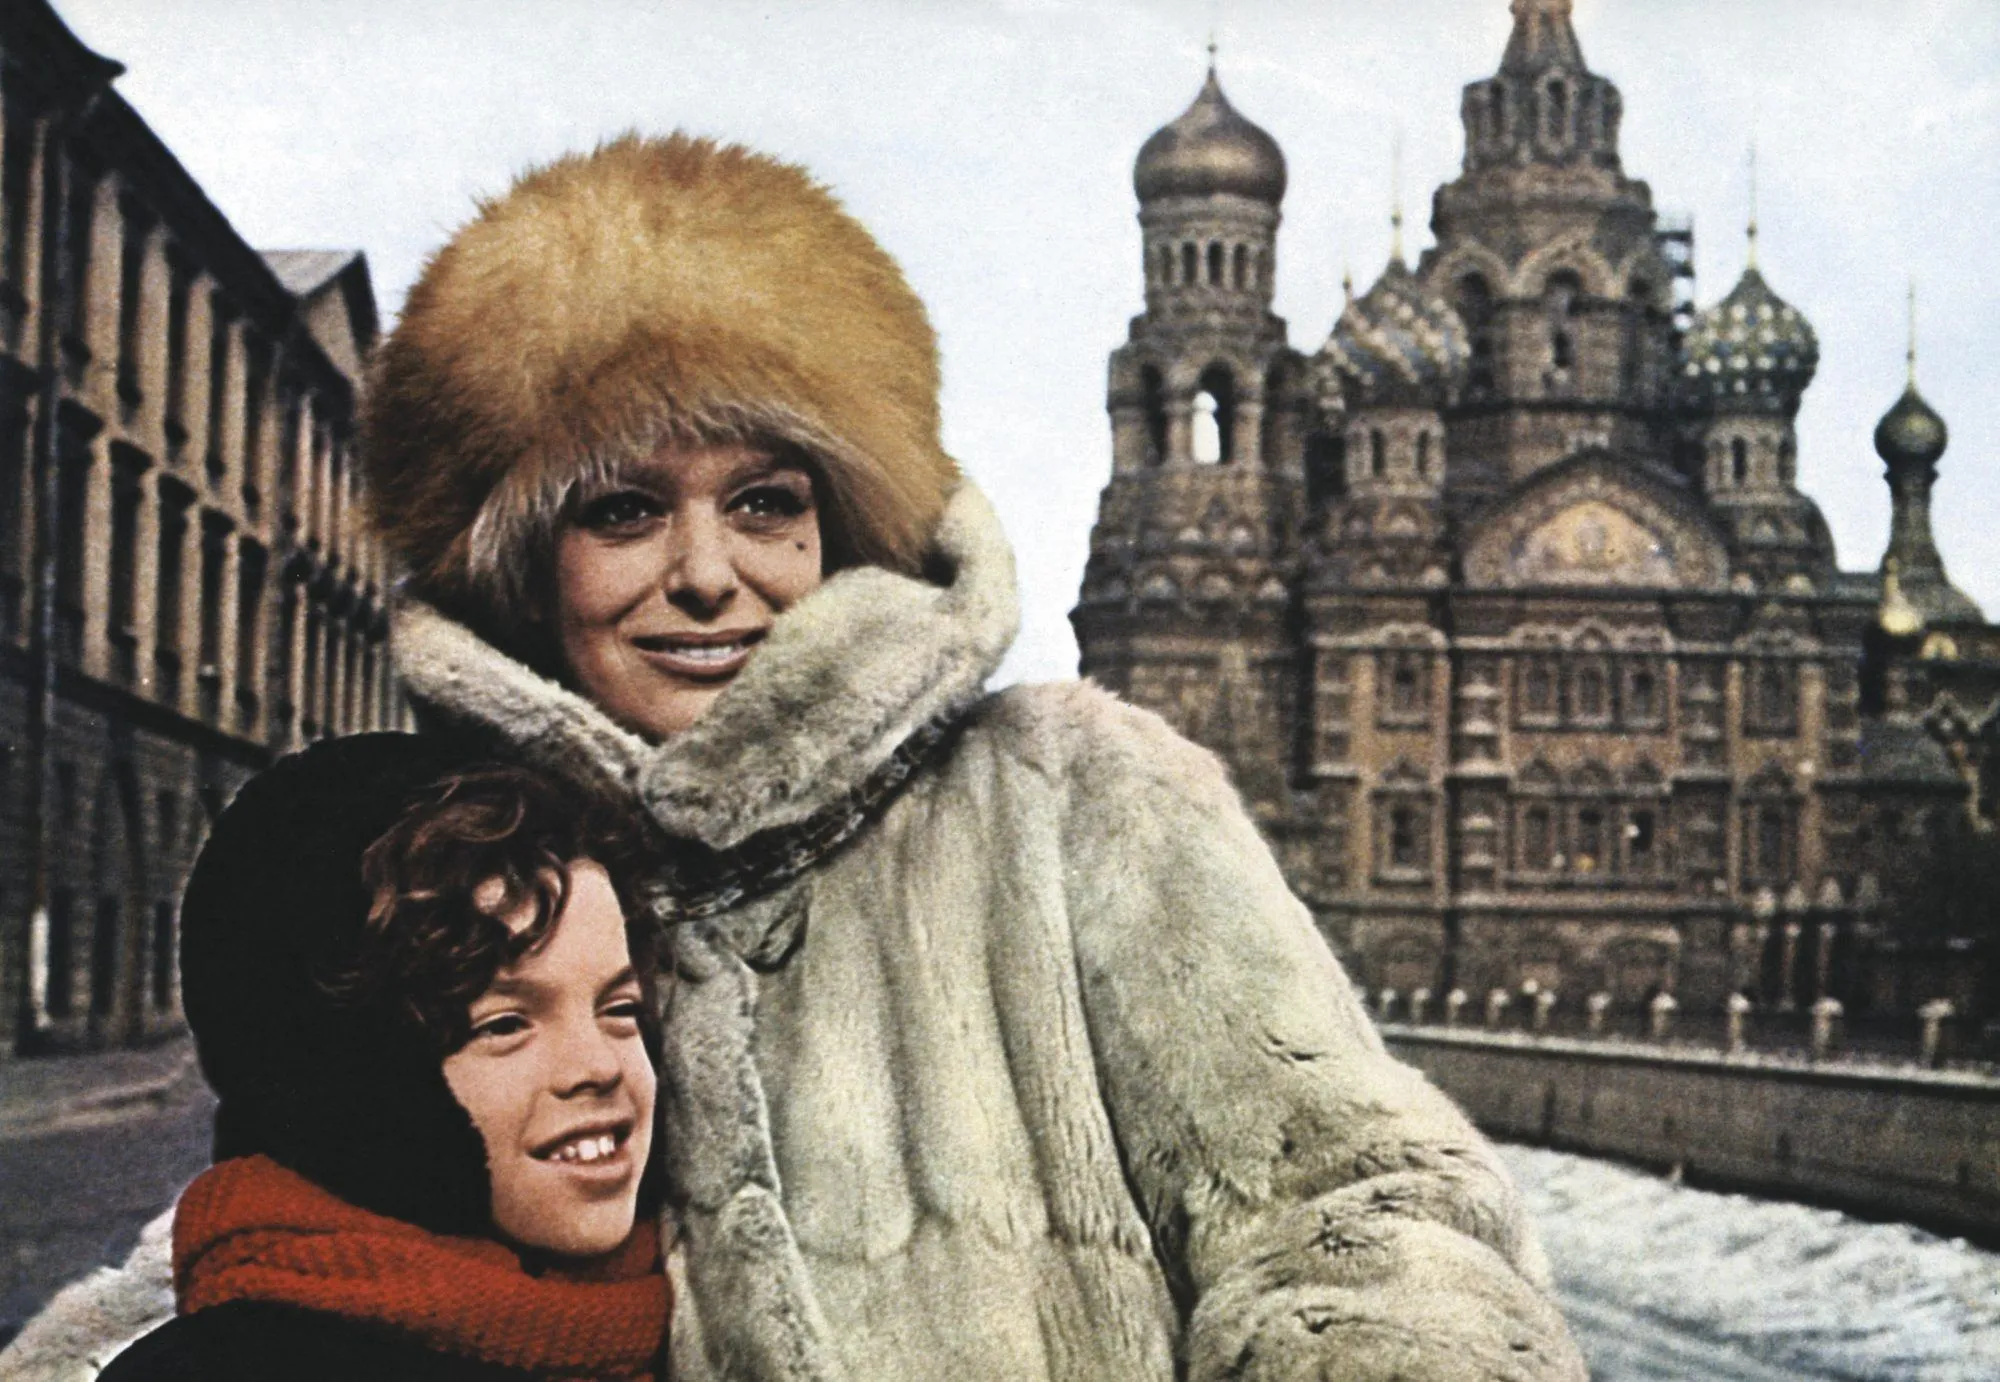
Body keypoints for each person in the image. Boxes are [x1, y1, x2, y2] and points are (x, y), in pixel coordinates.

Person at [7, 134, 1585, 1381]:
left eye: (766, 500)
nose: (711, 575)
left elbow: (1361, 1221)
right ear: (524, 558)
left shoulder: (1071, 802)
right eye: (626, 507)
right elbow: (285, 1236)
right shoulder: (482, 854)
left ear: (844, 524)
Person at [95, 736, 672, 1381]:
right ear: (353, 1077)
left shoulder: (692, 1330)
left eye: (619, 1009)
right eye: (505, 1023)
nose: (597, 1067)